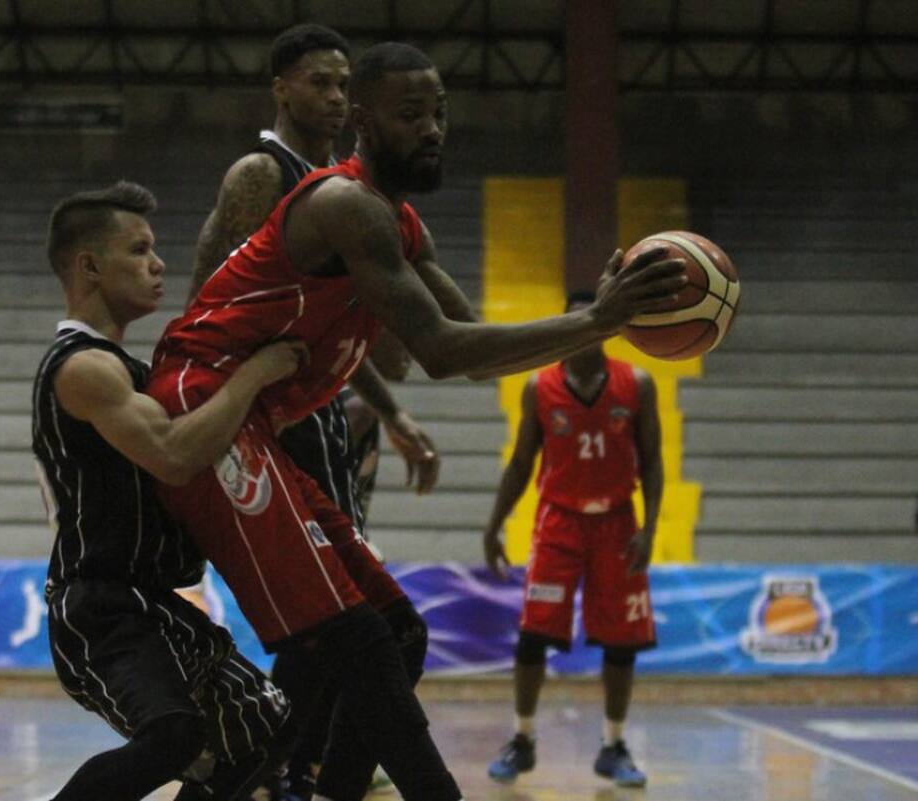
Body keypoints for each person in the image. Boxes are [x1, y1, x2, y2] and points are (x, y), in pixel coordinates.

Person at [146, 41, 686, 801]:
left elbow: (468, 347)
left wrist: (598, 323)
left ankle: (296, 784)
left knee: (396, 632)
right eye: (412, 115)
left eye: (440, 113)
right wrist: (598, 320)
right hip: (203, 403)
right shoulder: (340, 204)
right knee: (353, 638)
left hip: (259, 423)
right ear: (363, 123)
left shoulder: (395, 223)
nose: (433, 128)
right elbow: (438, 349)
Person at [190, 24, 433, 801]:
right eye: (319, 83)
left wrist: (388, 413)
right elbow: (227, 308)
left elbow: (347, 335)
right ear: (281, 90)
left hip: (320, 416)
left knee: (345, 623)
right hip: (270, 424)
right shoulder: (265, 174)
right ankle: (272, 767)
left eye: (342, 86)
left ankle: (295, 767)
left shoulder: (349, 191)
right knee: (344, 620)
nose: (334, 98)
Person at [32, 181, 308, 801]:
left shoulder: (129, 370)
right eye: (140, 250)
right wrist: (256, 373)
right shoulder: (83, 368)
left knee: (268, 733)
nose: (158, 264)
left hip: (153, 600)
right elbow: (177, 456)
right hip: (101, 605)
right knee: (174, 735)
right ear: (90, 266)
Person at [481, 292, 663, 788]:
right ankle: (521, 739)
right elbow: (521, 464)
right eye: (580, 319)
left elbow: (651, 462)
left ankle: (614, 744)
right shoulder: (540, 387)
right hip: (559, 522)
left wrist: (650, 528)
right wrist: (494, 525)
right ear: (568, 324)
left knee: (622, 641)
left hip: (618, 522)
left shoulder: (638, 384)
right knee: (535, 632)